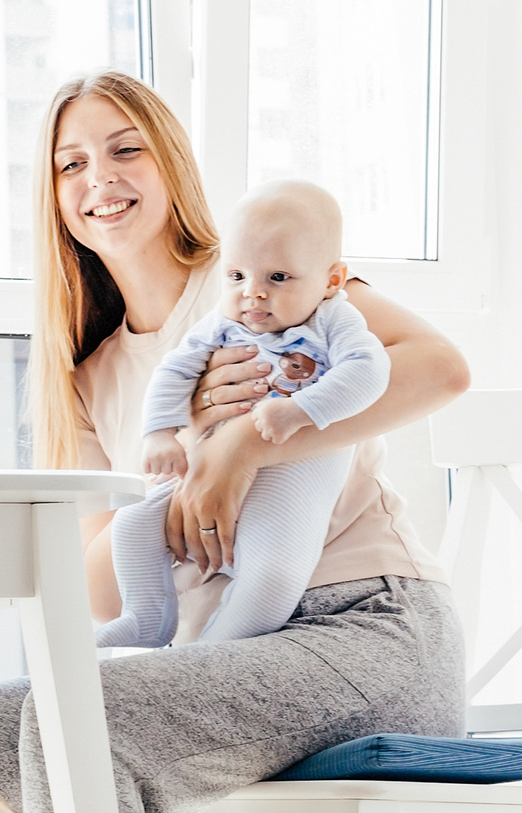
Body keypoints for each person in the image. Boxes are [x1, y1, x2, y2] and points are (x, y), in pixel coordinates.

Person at [0, 69, 471, 813]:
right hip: (232, 660)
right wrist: (185, 457)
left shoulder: (264, 272)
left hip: (373, 632)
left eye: (125, 150)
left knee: (79, 718)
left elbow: (440, 369)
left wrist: (246, 447)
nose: (99, 179)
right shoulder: (87, 376)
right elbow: (99, 593)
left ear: (173, 165)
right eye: (69, 164)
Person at [96, 178, 388, 649]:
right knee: (130, 526)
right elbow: (176, 367)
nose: (253, 294)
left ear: (331, 280)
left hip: (294, 471)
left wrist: (300, 410)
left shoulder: (333, 317)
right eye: (237, 277)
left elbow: (370, 372)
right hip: (211, 467)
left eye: (277, 278)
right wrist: (161, 433)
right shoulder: (224, 319)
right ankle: (146, 619)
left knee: (273, 575)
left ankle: (219, 649)